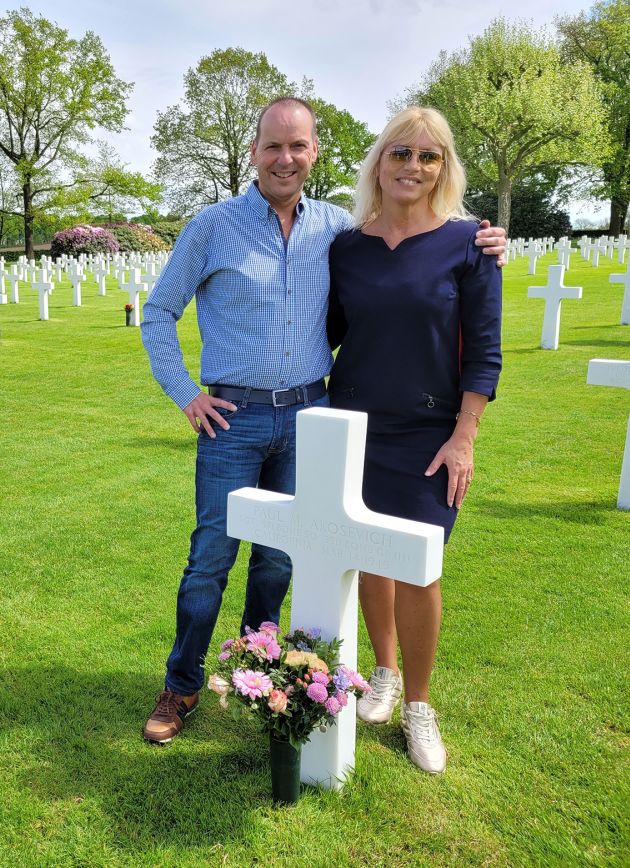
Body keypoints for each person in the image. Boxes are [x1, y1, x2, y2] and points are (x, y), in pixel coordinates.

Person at [139, 96, 504, 745]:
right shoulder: (232, 228)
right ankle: (183, 684)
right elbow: (161, 312)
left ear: (314, 153)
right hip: (245, 420)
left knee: (284, 563)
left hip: (319, 417)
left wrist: (489, 244)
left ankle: (262, 678)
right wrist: (186, 394)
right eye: (273, 145)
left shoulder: (339, 230)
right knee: (210, 560)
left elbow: (443, 310)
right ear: (254, 151)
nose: (286, 157)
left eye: (299, 146)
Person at [326, 106, 502, 774]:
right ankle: (385, 672)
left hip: (430, 433)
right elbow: (331, 329)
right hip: (354, 427)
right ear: (379, 161)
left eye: (429, 157)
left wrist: (465, 436)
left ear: (444, 167)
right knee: (371, 556)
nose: (413, 167)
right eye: (401, 153)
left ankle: (420, 706)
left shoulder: (469, 245)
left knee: (419, 569)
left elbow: (484, 352)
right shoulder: (349, 247)